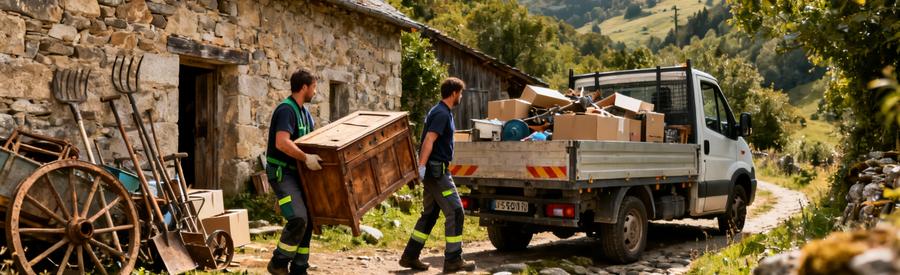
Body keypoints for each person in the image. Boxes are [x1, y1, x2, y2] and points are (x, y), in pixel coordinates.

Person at [399, 77, 476, 273]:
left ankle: (410, 256)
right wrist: (422, 167)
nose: (461, 97)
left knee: (430, 214)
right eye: (460, 93)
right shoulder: (441, 113)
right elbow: (429, 140)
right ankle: (453, 259)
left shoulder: (439, 110)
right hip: (437, 173)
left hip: (434, 171)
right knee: (456, 211)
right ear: (454, 93)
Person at [266, 69, 324, 275]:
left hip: (299, 173)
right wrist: (306, 158)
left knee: (309, 219)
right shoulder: (286, 110)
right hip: (282, 173)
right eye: (314, 87)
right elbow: (282, 143)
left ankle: (299, 268)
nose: (315, 92)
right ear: (304, 87)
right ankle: (278, 263)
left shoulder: (305, 114)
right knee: (298, 218)